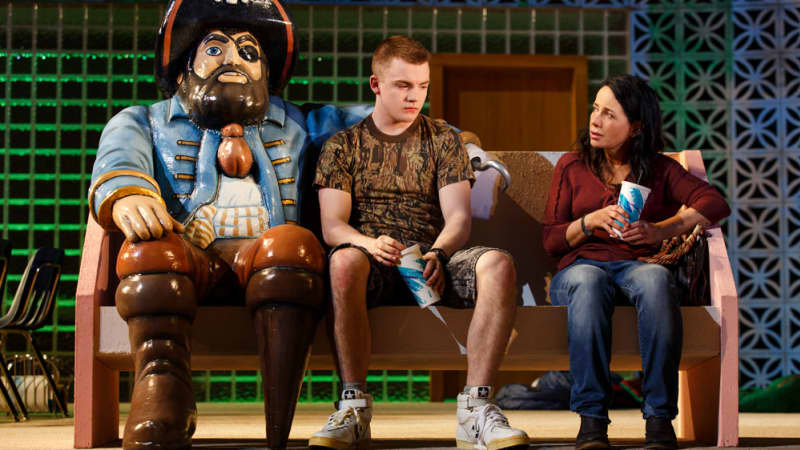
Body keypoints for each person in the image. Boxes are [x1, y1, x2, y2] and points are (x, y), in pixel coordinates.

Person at [88, 1, 365, 448]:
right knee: (148, 253)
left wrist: (451, 141)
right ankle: (163, 393)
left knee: (294, 247)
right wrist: (128, 193)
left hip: (264, 257)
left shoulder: (298, 122)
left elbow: (381, 121)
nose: (234, 59)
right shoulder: (146, 120)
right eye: (215, 49)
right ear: (183, 72)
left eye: (249, 53)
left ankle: (280, 421)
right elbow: (119, 156)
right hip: (188, 254)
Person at [310, 35, 529, 450]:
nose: (415, 97)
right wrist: (369, 244)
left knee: (498, 263)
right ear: (375, 85)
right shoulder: (342, 146)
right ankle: (353, 406)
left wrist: (439, 252)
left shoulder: (443, 140)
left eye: (422, 86)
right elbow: (333, 226)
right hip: (371, 259)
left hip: (433, 260)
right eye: (403, 86)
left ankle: (477, 409)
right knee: (342, 261)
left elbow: (459, 218)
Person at [543, 74, 730, 450]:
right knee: (589, 283)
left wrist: (662, 229)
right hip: (580, 268)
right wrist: (588, 222)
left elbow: (715, 204)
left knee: (656, 281)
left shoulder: (660, 170)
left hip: (635, 266)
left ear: (636, 127)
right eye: (595, 109)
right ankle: (592, 421)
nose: (595, 120)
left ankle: (659, 420)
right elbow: (550, 240)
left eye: (609, 114)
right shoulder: (572, 166)